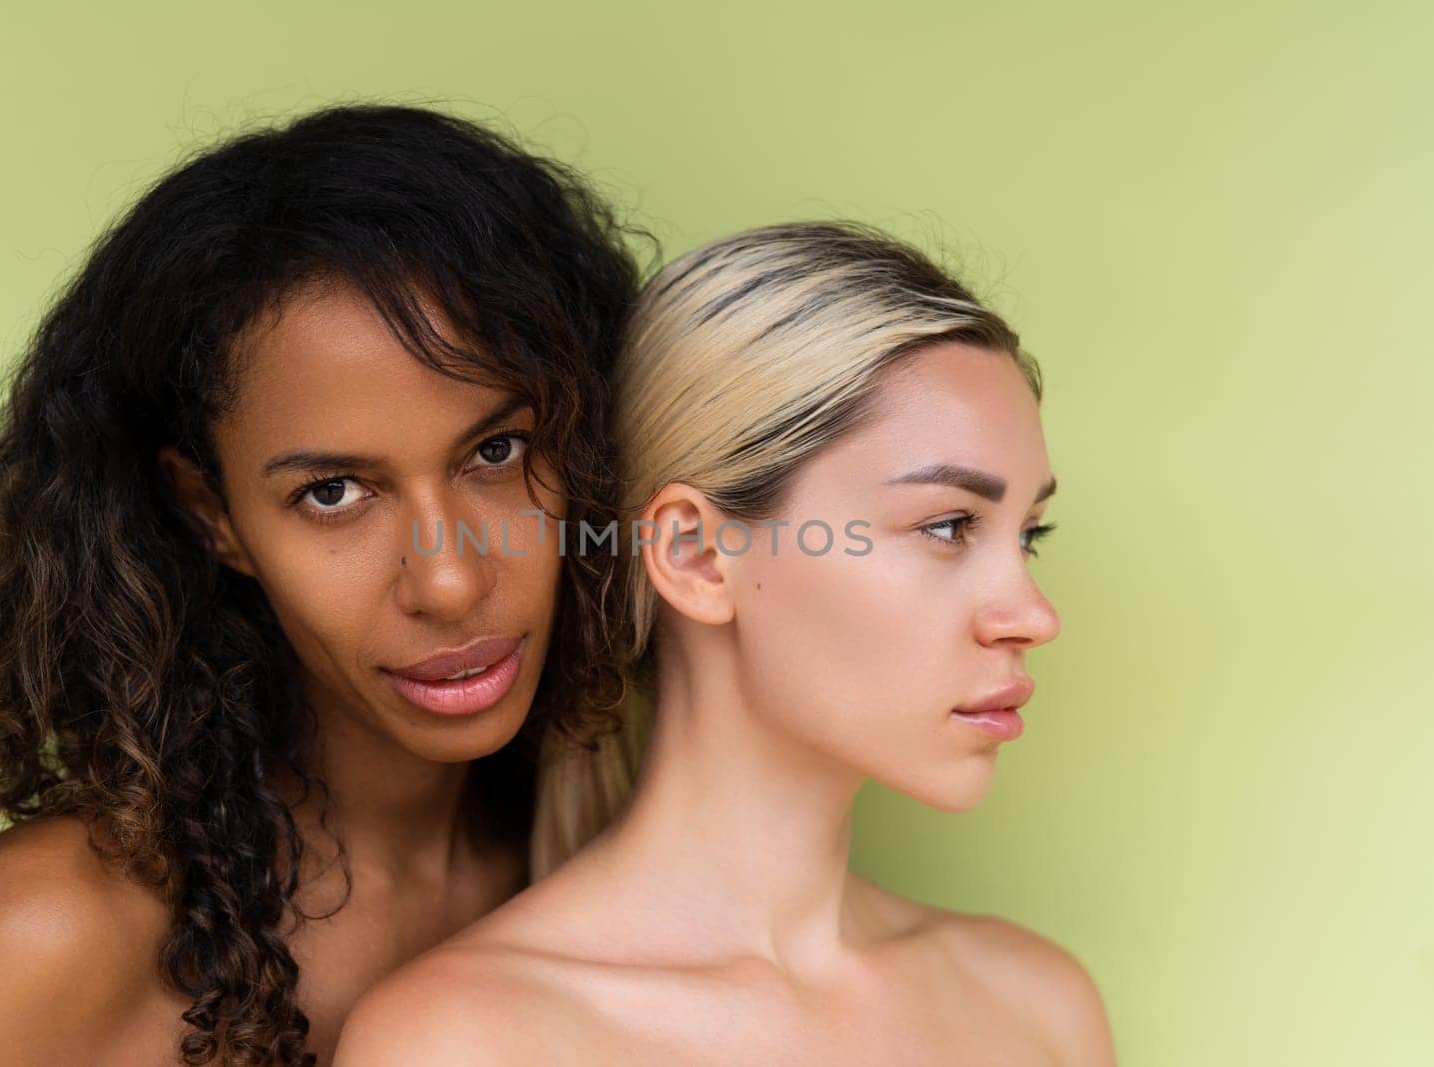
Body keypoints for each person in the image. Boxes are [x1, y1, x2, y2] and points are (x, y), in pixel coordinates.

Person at [0, 104, 643, 1066]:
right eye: (334, 492)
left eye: (497, 450)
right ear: (213, 512)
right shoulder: (59, 926)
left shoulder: (594, 842)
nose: (449, 579)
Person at [335, 222, 1116, 1065]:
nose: (1033, 616)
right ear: (696, 555)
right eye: (948, 525)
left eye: (1028, 534)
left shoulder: (1037, 1010)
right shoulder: (460, 1041)